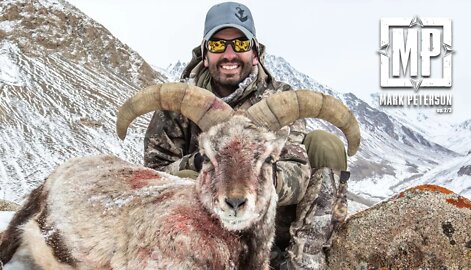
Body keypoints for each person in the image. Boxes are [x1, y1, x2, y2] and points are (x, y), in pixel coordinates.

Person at [144, 2, 350, 269]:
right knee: (182, 180)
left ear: (255, 53)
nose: (230, 54)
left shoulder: (279, 99)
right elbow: (154, 177)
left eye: (240, 45)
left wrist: (260, 171)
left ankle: (304, 258)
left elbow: (298, 170)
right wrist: (200, 163)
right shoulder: (177, 104)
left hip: (269, 220)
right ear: (205, 55)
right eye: (218, 45)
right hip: (208, 222)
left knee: (326, 144)